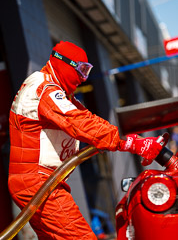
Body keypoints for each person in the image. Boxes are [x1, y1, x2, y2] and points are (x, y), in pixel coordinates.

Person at [8, 41, 163, 239]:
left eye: (87, 71)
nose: (83, 79)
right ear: (64, 64)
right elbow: (81, 124)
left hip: (42, 181)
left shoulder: (57, 91)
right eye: (81, 70)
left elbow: (89, 119)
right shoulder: (45, 90)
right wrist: (132, 144)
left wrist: (134, 140)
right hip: (37, 182)